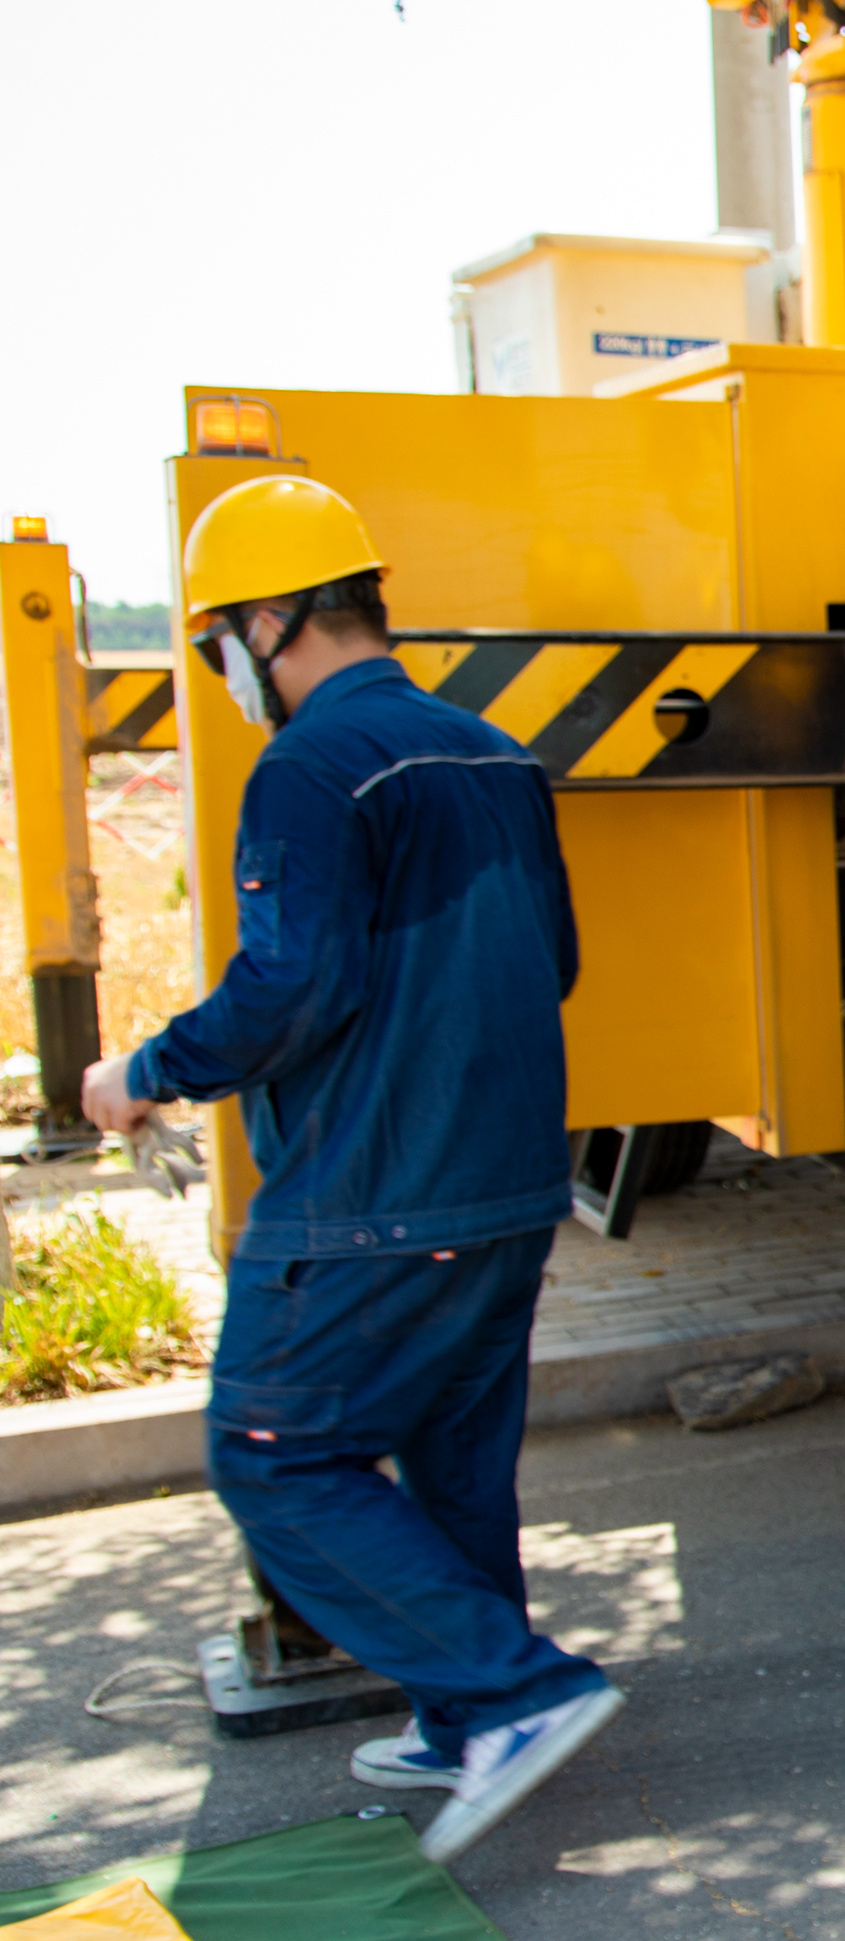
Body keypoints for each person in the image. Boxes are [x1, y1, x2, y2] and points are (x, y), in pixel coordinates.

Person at [79, 475, 617, 1866]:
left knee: (274, 1448)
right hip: (510, 1185)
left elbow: (291, 986)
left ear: (270, 624)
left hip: (377, 1196)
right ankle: (465, 1721)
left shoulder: (312, 768)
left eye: (217, 641)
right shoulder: (494, 756)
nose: (221, 669)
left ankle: (516, 1694)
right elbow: (554, 963)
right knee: (453, 1462)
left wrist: (144, 1073)